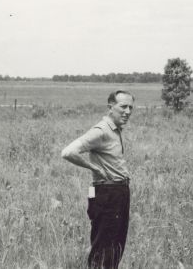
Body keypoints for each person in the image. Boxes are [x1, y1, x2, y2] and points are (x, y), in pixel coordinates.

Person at [61, 90, 134, 269]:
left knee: (116, 246)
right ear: (110, 107)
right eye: (123, 106)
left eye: (131, 107)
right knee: (103, 247)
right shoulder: (101, 130)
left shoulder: (115, 130)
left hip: (119, 192)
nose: (127, 111)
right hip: (107, 193)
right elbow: (68, 152)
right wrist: (93, 167)